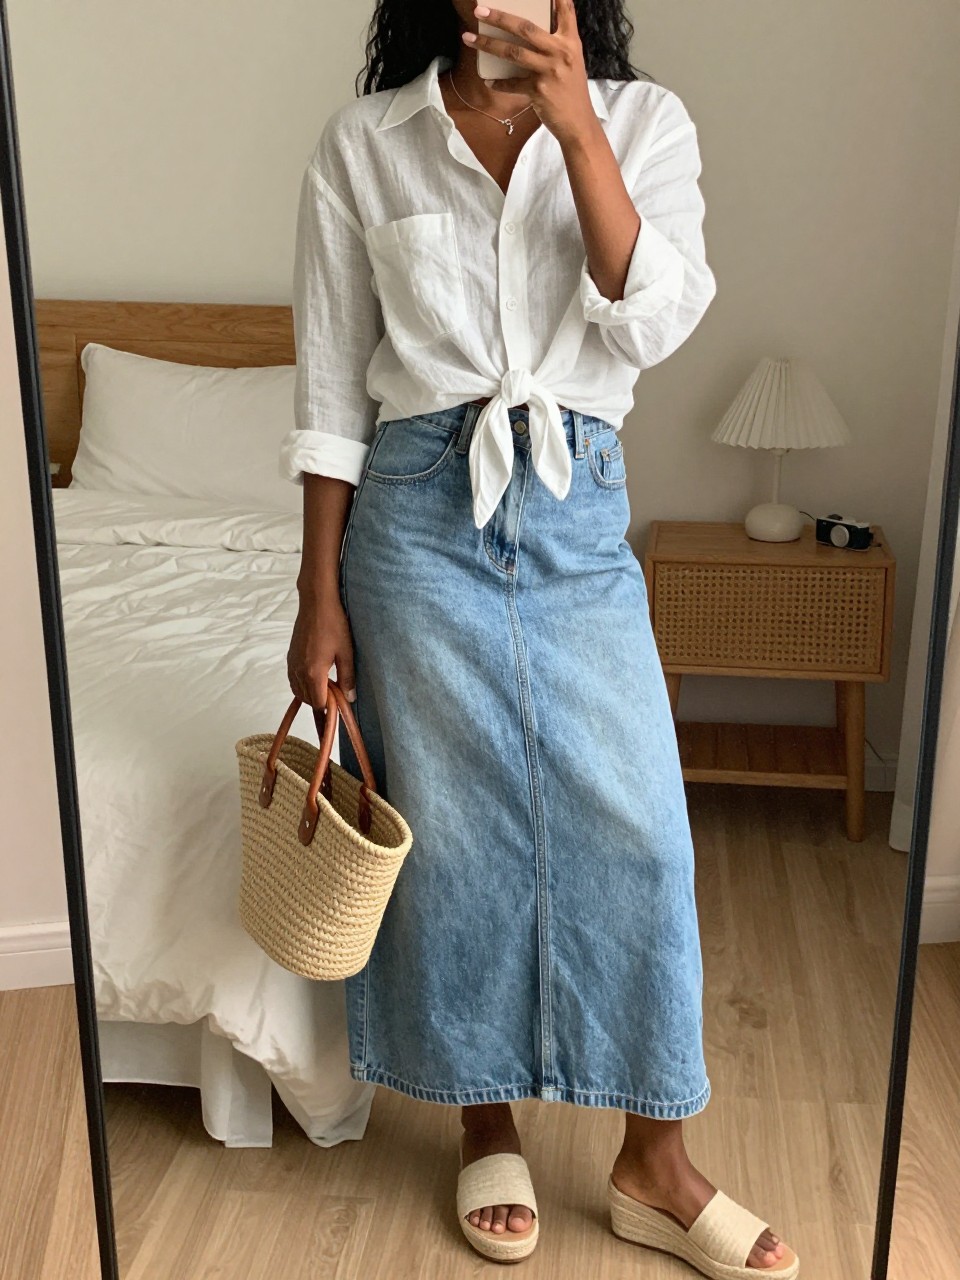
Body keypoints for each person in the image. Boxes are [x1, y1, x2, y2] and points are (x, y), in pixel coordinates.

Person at [282, 0, 799, 1275]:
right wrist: (315, 592)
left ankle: (653, 1159)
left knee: (641, 828)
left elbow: (651, 318)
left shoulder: (644, 121)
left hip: (576, 510)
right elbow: (334, 385)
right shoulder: (366, 142)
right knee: (456, 834)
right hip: (412, 516)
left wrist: (578, 129)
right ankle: (482, 1117)